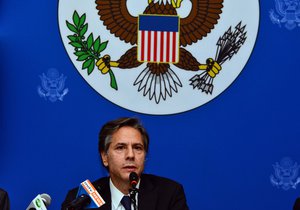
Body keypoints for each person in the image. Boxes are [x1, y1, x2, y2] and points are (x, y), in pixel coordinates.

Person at [61, 117, 189, 210]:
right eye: (121, 147)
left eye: (137, 148)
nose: (130, 155)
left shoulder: (169, 194)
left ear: (145, 156)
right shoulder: (81, 200)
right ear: (105, 157)